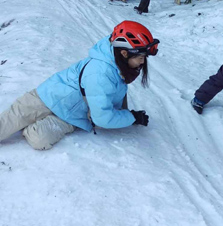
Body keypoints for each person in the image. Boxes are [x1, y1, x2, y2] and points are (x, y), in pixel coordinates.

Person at [0, 21, 159, 150]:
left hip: (72, 116)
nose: (142, 62)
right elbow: (104, 119)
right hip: (48, 96)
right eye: (141, 57)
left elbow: (103, 113)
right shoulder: (100, 73)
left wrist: (128, 115)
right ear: (124, 53)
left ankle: (33, 126)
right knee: (8, 122)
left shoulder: (119, 67)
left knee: (39, 140)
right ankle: (28, 117)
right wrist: (131, 117)